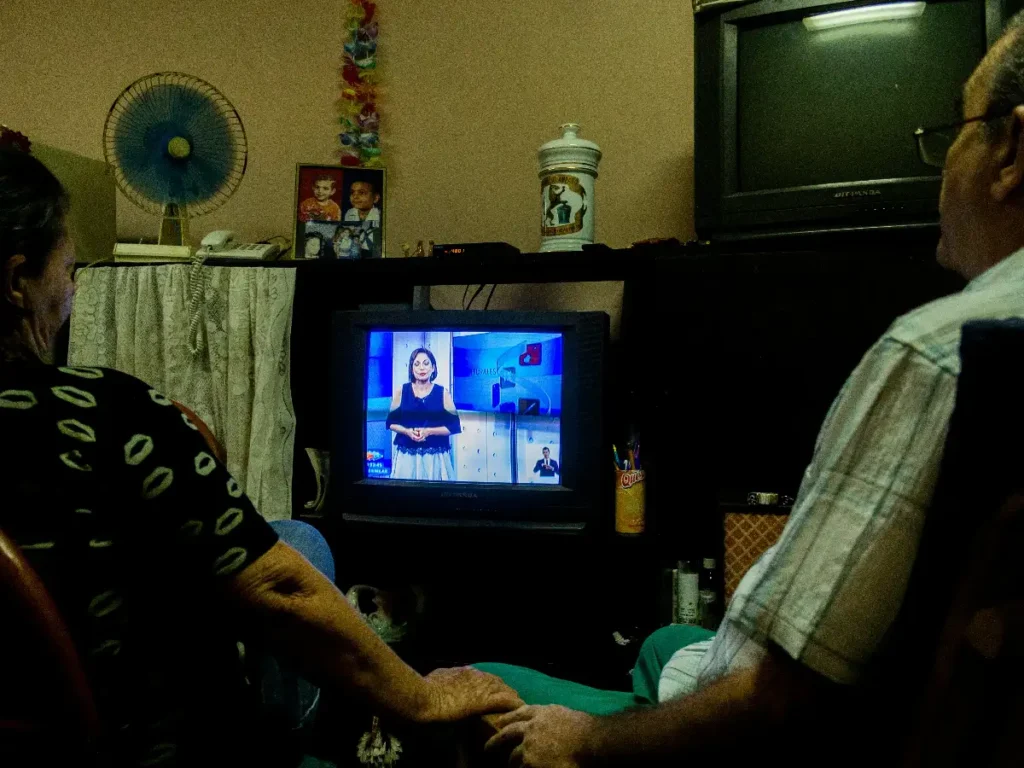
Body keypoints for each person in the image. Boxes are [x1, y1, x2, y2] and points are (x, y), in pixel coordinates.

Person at [485, 14, 1024, 767]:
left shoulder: (939, 352)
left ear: (1014, 152)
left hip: (745, 736)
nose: (941, 165)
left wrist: (588, 742)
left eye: (956, 131)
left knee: (472, 682)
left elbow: (782, 701)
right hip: (776, 686)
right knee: (673, 639)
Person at [0, 147, 520, 766]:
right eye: (69, 265)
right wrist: (420, 698)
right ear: (15, 281)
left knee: (298, 535)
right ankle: (302, 746)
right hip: (150, 741)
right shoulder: (110, 412)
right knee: (295, 555)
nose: (73, 287)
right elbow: (277, 589)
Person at [386, 347, 461, 481]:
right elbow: (391, 423)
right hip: (406, 458)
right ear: (411, 368)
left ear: (433, 368)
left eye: (426, 363)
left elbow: (454, 427)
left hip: (435, 458)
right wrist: (407, 432)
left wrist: (429, 432)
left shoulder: (443, 393)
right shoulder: (401, 391)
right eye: (417, 364)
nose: (422, 368)